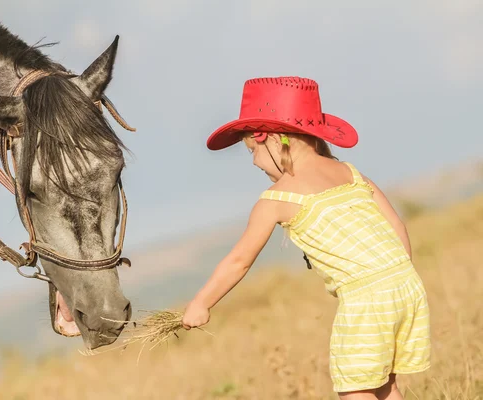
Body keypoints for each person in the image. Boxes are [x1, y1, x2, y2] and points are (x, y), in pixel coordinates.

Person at [181, 77, 430, 399]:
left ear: (269, 138)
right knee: (384, 385)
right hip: (405, 284)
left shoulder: (275, 199)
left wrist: (201, 303)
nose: (254, 161)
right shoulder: (351, 173)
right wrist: (394, 278)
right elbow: (396, 225)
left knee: (355, 390)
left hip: (366, 299)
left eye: (251, 151)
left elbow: (239, 261)